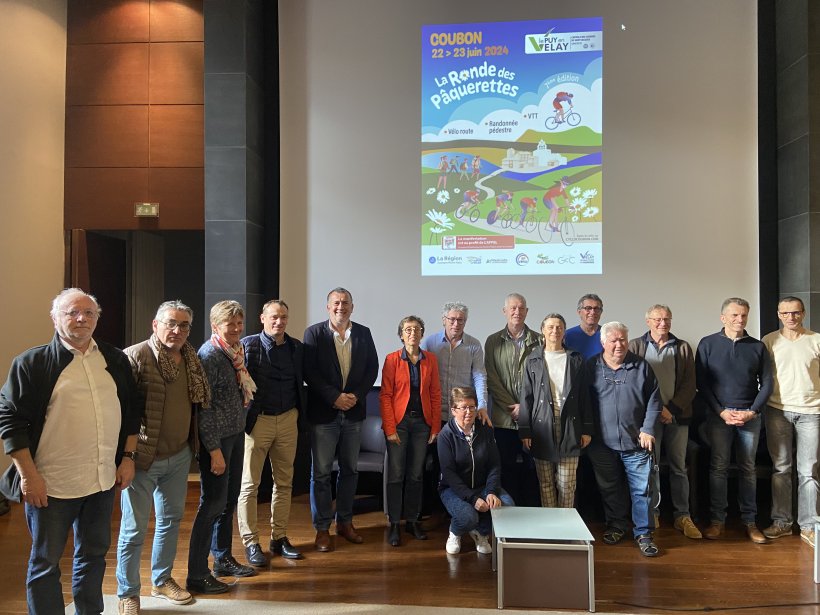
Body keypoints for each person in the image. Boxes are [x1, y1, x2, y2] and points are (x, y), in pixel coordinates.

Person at [0, 288, 141, 615]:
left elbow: (133, 411)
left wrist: (128, 458)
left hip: (102, 481)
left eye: (89, 313)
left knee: (93, 555)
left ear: (97, 318)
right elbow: (10, 421)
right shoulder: (31, 363)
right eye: (72, 313)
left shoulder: (115, 360)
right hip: (50, 485)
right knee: (46, 561)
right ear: (55, 318)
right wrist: (28, 476)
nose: (81, 319)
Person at [117, 300, 211, 613]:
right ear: (155, 325)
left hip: (179, 455)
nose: (177, 330)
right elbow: (122, 409)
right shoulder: (136, 355)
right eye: (170, 323)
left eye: (184, 325)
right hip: (142, 458)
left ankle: (162, 579)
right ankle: (127, 592)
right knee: (134, 529)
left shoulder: (191, 357)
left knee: (170, 522)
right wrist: (126, 455)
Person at [188, 300, 257, 595]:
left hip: (236, 434)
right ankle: (197, 573)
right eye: (231, 324)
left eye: (240, 323)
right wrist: (214, 450)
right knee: (212, 504)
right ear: (216, 326)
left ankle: (223, 559)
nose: (237, 329)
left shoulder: (236, 353)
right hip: (217, 442)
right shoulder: (210, 356)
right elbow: (204, 408)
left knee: (228, 501)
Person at [303, 288, 378, 552]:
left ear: (352, 307)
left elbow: (372, 369)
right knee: (321, 473)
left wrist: (355, 396)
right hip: (324, 414)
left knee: (350, 471)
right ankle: (322, 529)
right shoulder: (314, 333)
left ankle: (344, 523)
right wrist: (334, 397)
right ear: (327, 307)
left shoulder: (363, 333)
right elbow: (309, 372)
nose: (340, 307)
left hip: (354, 413)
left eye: (345, 303)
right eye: (336, 303)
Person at [695, 297, 773, 543]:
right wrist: (720, 411)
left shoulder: (757, 347)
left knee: (747, 469)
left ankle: (750, 522)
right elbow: (702, 384)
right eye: (735, 315)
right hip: (720, 417)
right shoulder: (707, 344)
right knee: (718, 468)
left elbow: (768, 383)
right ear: (723, 318)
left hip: (749, 416)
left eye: (744, 316)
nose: (740, 320)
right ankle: (718, 521)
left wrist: (753, 411)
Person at [237, 299, 306, 566]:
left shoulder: (297, 348)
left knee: (285, 483)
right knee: (249, 485)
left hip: (288, 419)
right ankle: (251, 542)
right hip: (258, 422)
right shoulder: (248, 345)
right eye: (274, 317)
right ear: (262, 318)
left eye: (284, 317)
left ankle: (279, 538)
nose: (280, 322)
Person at [586, 322, 662, 557]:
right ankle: (617, 525)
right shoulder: (591, 367)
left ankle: (644, 533)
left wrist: (648, 428)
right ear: (603, 343)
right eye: (613, 340)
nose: (619, 345)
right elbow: (583, 402)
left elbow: (655, 400)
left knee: (642, 491)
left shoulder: (642, 367)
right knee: (610, 488)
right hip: (601, 443)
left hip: (636, 441)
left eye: (622, 340)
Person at [627, 304, 701, 539]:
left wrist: (672, 409)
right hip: (648, 420)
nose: (663, 323)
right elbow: (632, 383)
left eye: (667, 319)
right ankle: (653, 512)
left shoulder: (682, 347)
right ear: (647, 321)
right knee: (651, 468)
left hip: (677, 416)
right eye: (657, 319)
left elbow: (690, 384)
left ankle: (682, 515)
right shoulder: (636, 346)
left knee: (679, 467)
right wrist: (653, 411)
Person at [761, 296, 819, 548]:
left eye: (795, 313)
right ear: (778, 314)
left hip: (811, 412)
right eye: (785, 313)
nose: (791, 317)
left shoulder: (816, 340)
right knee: (781, 469)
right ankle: (782, 522)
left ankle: (809, 525)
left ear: (803, 314)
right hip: (777, 411)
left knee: (808, 471)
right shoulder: (769, 341)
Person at [519, 313, 592, 508]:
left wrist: (586, 429)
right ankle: (551, 527)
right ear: (542, 330)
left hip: (571, 424)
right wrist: (525, 430)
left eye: (559, 327)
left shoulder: (576, 359)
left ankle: (566, 527)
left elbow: (585, 396)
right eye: (550, 327)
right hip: (541, 426)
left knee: (567, 484)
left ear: (564, 331)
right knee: (545, 483)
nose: (555, 331)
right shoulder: (533, 359)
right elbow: (526, 398)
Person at [380, 316, 442, 547]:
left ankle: (413, 521)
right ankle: (394, 523)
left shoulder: (430, 360)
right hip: (399, 424)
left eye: (416, 329)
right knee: (396, 475)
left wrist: (435, 426)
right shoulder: (392, 359)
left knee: (416, 475)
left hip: (421, 425)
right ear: (401, 334)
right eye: (408, 329)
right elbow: (385, 395)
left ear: (422, 333)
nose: (412, 333)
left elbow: (435, 393)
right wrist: (389, 427)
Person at [438, 387, 514, 555]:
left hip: (482, 485)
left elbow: (495, 464)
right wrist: (473, 499)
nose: (468, 412)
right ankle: (455, 532)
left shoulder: (485, 430)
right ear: (453, 410)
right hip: (454, 490)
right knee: (468, 516)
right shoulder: (445, 436)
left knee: (507, 507)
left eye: (472, 407)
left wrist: (492, 491)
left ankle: (481, 533)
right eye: (463, 407)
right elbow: (449, 475)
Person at [484, 293, 542, 506]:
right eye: (513, 308)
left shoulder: (540, 340)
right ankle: (508, 515)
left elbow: (543, 379)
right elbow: (491, 378)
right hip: (503, 419)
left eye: (521, 308)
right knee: (505, 468)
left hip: (534, 419)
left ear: (527, 311)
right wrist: (512, 407)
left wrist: (525, 407)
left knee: (533, 469)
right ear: (505, 311)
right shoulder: (492, 341)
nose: (517, 312)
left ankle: (532, 514)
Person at [421, 301, 490, 426]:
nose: (456, 324)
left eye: (460, 320)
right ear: (444, 320)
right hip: (435, 412)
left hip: (463, 414)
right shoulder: (430, 343)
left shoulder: (474, 345)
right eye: (452, 319)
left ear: (465, 322)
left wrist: (482, 406)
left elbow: (479, 377)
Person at [564, 294, 604, 359]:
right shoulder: (567, 336)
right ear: (579, 312)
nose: (593, 312)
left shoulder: (608, 335)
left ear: (601, 312)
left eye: (596, 308)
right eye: (588, 308)